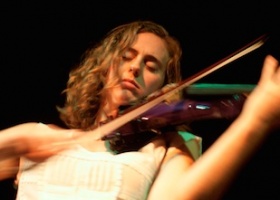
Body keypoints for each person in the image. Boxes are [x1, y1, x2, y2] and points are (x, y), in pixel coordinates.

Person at [0, 20, 279, 200]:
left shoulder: (165, 149)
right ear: (105, 66)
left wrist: (256, 118)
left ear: (163, 87)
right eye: (126, 57)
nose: (135, 68)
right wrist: (13, 139)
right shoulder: (39, 137)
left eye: (151, 65)